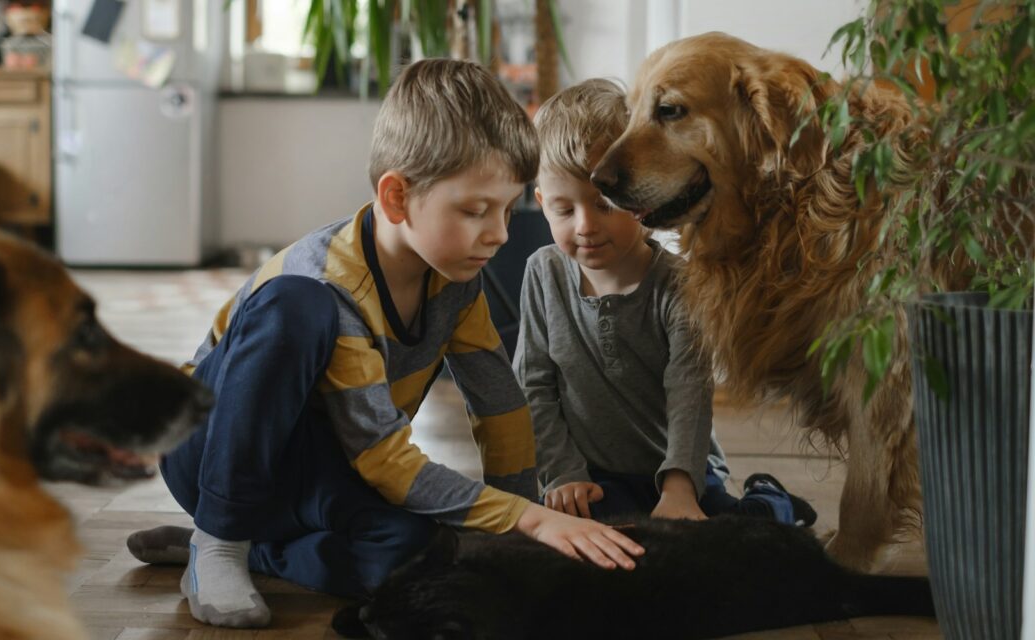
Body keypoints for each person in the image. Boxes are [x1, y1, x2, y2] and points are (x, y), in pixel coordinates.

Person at [126, 60, 643, 630]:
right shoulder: (330, 281)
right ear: (397, 197)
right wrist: (531, 519)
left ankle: (257, 550)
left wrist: (515, 525)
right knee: (296, 306)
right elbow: (383, 456)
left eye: (506, 209)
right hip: (209, 452)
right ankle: (220, 538)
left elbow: (498, 403)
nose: (499, 233)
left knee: (419, 553)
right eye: (476, 210)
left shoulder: (455, 278)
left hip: (318, 470)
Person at [518, 78, 817, 527]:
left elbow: (689, 391)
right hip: (595, 474)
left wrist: (680, 487)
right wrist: (562, 472)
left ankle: (770, 501)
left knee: (726, 534)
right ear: (542, 204)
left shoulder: (681, 283)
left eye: (605, 204)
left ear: (645, 193)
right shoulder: (543, 275)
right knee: (596, 529)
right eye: (564, 210)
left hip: (683, 467)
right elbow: (534, 386)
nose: (585, 226)